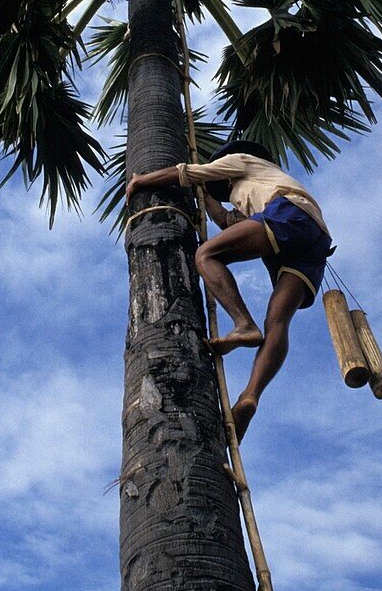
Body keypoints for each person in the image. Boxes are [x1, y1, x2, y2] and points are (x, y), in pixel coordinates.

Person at [125, 141, 334, 441]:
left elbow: (187, 172)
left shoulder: (242, 160)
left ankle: (243, 325)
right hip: (314, 238)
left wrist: (142, 180)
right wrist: (206, 198)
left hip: (290, 213)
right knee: (278, 322)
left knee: (206, 256)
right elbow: (226, 221)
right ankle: (250, 396)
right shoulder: (253, 191)